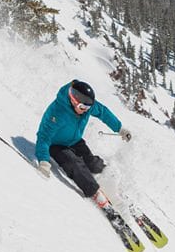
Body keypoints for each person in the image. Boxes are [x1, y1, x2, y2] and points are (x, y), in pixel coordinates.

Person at [35, 80, 132, 208]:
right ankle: (95, 193)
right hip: (56, 145)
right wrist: (43, 160)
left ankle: (111, 184)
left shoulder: (86, 107)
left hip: (75, 141)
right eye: (83, 108)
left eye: (88, 108)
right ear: (73, 101)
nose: (85, 111)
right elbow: (43, 137)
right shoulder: (57, 112)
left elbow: (103, 112)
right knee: (75, 164)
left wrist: (120, 129)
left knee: (92, 162)